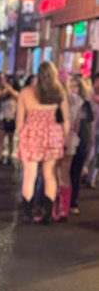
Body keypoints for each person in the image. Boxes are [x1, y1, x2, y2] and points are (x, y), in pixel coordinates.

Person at [16, 61, 68, 224]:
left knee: (29, 175)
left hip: (32, 133)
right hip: (52, 134)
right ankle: (47, 213)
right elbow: (66, 118)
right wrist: (63, 136)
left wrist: (23, 134)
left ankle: (27, 212)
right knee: (50, 175)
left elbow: (20, 121)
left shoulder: (26, 92)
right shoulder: (59, 92)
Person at [60, 75, 90, 219]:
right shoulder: (69, 101)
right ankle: (64, 204)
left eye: (75, 86)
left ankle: (71, 203)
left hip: (78, 139)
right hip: (71, 138)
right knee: (65, 172)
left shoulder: (84, 104)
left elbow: (87, 125)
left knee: (73, 172)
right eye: (70, 86)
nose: (73, 89)